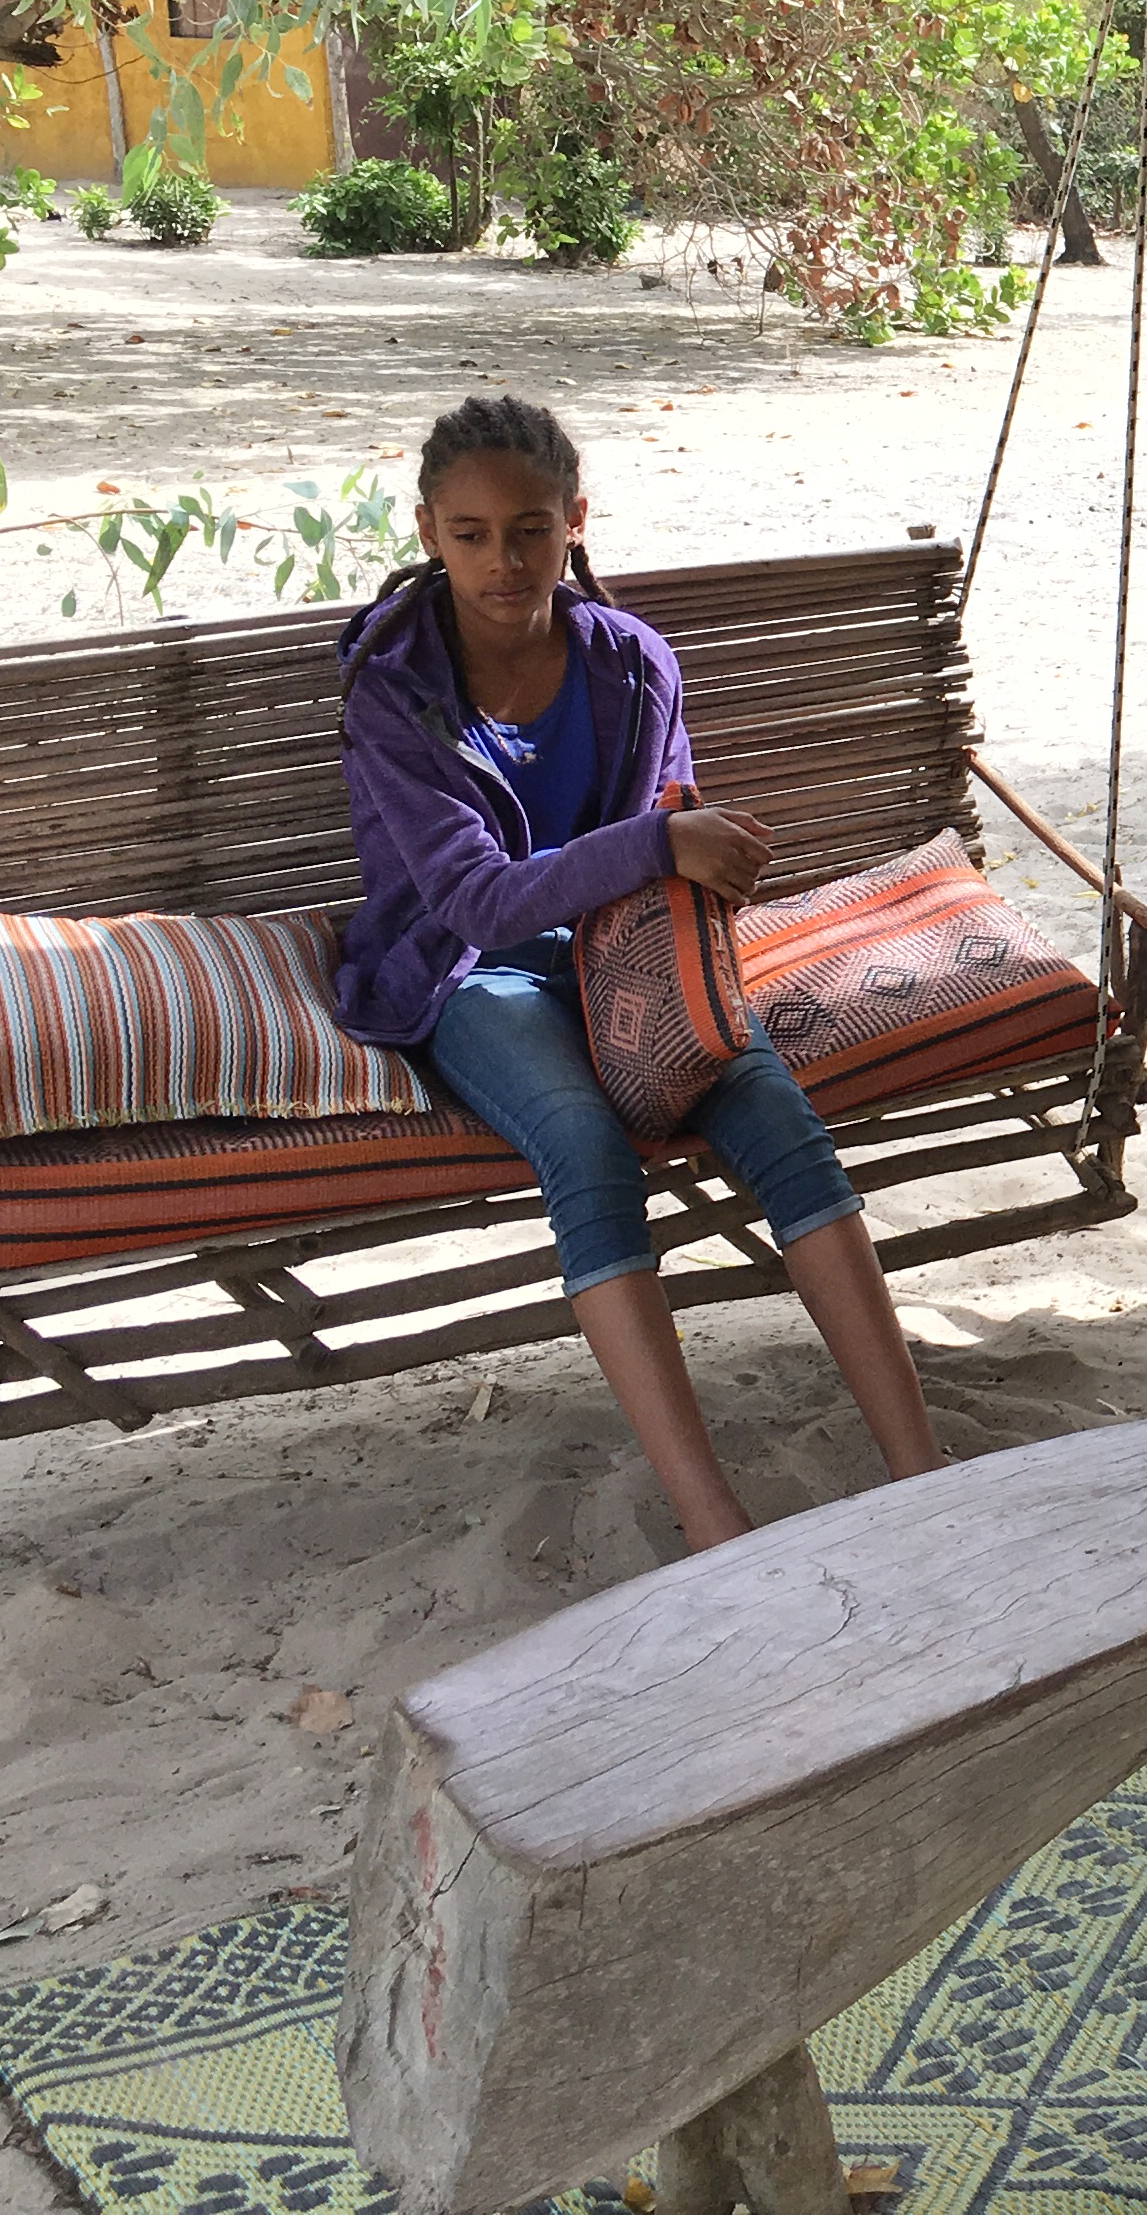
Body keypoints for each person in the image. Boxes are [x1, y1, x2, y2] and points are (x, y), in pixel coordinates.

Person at [331, 395, 942, 1548]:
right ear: (427, 533)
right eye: (470, 535)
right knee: (583, 1143)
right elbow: (472, 899)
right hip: (462, 971)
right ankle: (715, 1526)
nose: (503, 560)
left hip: (621, 954)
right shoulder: (395, 689)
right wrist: (659, 845)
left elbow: (676, 834)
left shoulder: (629, 665)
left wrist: (686, 863)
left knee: (765, 1101)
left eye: (529, 528)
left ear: (575, 520)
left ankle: (923, 1470)